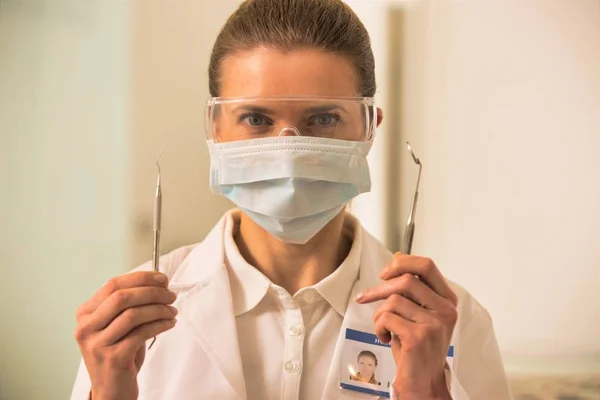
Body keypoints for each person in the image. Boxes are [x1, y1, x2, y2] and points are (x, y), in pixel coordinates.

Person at [70, 0, 513, 399]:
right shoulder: (127, 323)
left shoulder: (455, 323)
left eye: (322, 118)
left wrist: (428, 391)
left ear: (370, 128)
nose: (288, 152)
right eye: (256, 118)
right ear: (216, 129)